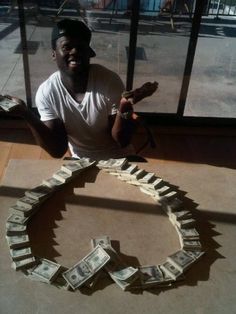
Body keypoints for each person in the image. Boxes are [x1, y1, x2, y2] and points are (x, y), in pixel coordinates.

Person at [3, 19, 157, 160]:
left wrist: (124, 106)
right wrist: (26, 114)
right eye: (67, 47)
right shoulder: (47, 92)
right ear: (54, 54)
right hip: (80, 161)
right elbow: (57, 150)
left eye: (81, 47)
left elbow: (121, 141)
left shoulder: (109, 81)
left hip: (119, 158)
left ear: (89, 54)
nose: (75, 52)